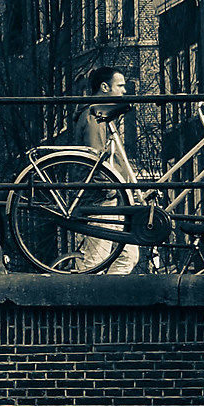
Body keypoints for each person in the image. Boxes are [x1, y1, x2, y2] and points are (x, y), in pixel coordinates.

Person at [70, 65, 141, 274]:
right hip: (103, 199)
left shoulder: (102, 117)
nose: (124, 91)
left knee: (128, 257)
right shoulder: (93, 117)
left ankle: (115, 303)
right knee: (96, 262)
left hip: (117, 199)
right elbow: (95, 161)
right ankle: (87, 304)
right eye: (120, 86)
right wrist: (110, 188)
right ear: (104, 87)